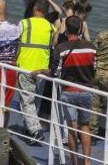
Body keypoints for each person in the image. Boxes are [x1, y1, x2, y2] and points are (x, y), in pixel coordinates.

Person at [42, 15, 96, 165]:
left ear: (66, 29)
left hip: (68, 92)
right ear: (80, 29)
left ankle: (74, 161)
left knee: (72, 128)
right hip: (86, 91)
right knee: (85, 126)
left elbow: (55, 73)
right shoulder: (91, 47)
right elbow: (95, 69)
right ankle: (87, 162)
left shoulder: (61, 48)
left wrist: (40, 71)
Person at [16, 0, 56, 146]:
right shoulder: (52, 28)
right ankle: (30, 130)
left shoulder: (25, 23)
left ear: (35, 9)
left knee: (27, 101)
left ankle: (36, 131)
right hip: (42, 70)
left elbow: (15, 40)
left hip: (26, 67)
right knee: (35, 102)